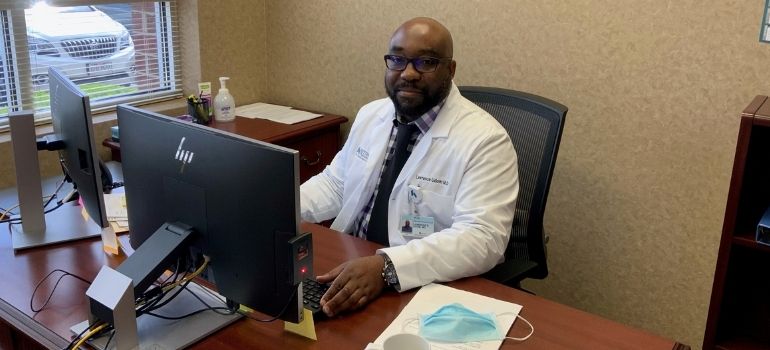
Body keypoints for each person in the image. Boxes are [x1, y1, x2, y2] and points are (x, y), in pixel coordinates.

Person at [300, 17, 519, 317]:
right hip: (348, 265)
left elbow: (482, 238)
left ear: (450, 70)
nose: (409, 73)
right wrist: (280, 207)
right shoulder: (371, 114)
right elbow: (335, 184)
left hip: (420, 285)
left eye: (426, 62)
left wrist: (386, 267)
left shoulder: (486, 140)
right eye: (398, 60)